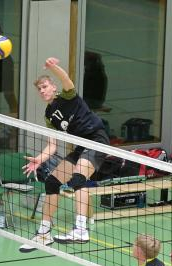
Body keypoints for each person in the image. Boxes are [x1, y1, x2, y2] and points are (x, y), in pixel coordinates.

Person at [19, 57, 110, 252]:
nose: (42, 91)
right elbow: (52, 146)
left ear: (53, 86)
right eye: (39, 89)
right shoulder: (49, 115)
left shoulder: (68, 97)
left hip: (96, 140)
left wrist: (53, 67)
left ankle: (80, 229)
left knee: (78, 179)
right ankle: (44, 233)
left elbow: (66, 78)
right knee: (52, 181)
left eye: (45, 86)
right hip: (80, 147)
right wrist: (40, 159)